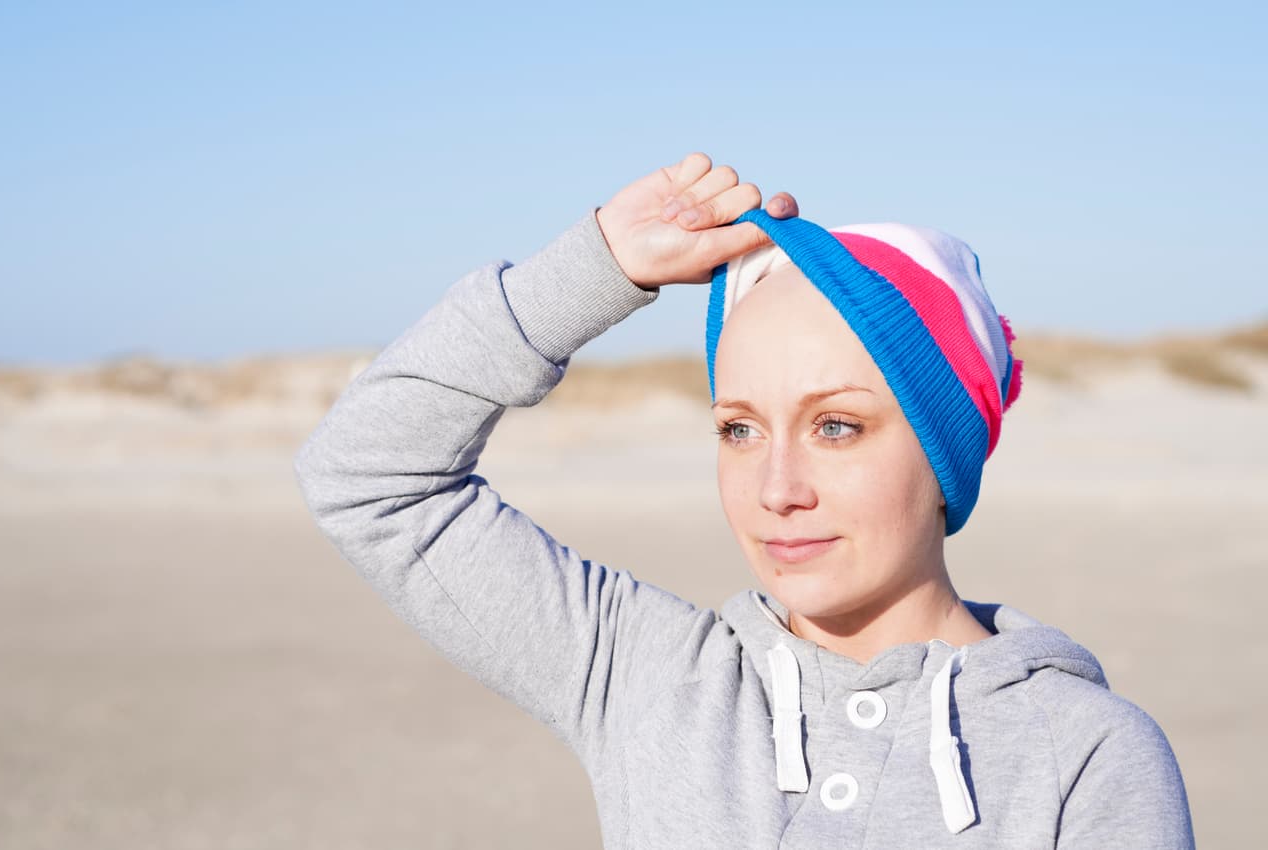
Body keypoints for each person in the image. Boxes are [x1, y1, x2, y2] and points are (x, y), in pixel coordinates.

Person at [294, 152, 1194, 847]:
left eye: (836, 426)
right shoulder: (647, 678)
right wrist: (596, 266)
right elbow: (367, 474)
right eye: (739, 429)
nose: (776, 490)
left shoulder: (1083, 754)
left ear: (942, 453)